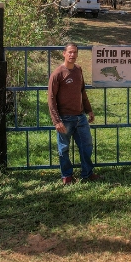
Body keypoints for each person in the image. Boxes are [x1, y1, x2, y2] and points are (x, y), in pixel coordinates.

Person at [48, 42, 99, 184]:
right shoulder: (58, 73)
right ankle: (67, 176)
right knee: (63, 149)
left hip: (80, 117)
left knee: (87, 146)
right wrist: (56, 121)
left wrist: (88, 110)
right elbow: (51, 99)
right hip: (65, 118)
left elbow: (82, 91)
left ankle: (87, 173)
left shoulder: (78, 70)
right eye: (70, 52)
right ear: (64, 53)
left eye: (75, 52)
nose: (72, 55)